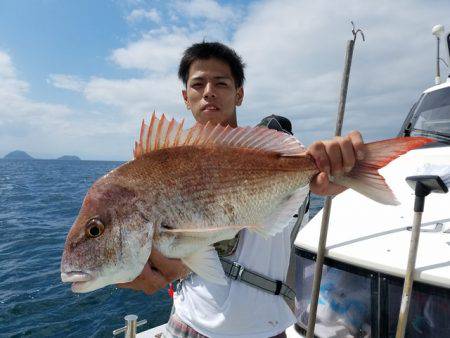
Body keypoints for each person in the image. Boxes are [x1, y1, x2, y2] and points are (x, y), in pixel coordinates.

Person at [118, 42, 366, 337]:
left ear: (239, 94)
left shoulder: (276, 158)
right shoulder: (162, 168)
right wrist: (121, 268)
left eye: (221, 82)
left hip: (265, 331)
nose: (208, 90)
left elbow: (316, 185)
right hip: (187, 324)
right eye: (198, 84)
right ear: (186, 98)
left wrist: (341, 168)